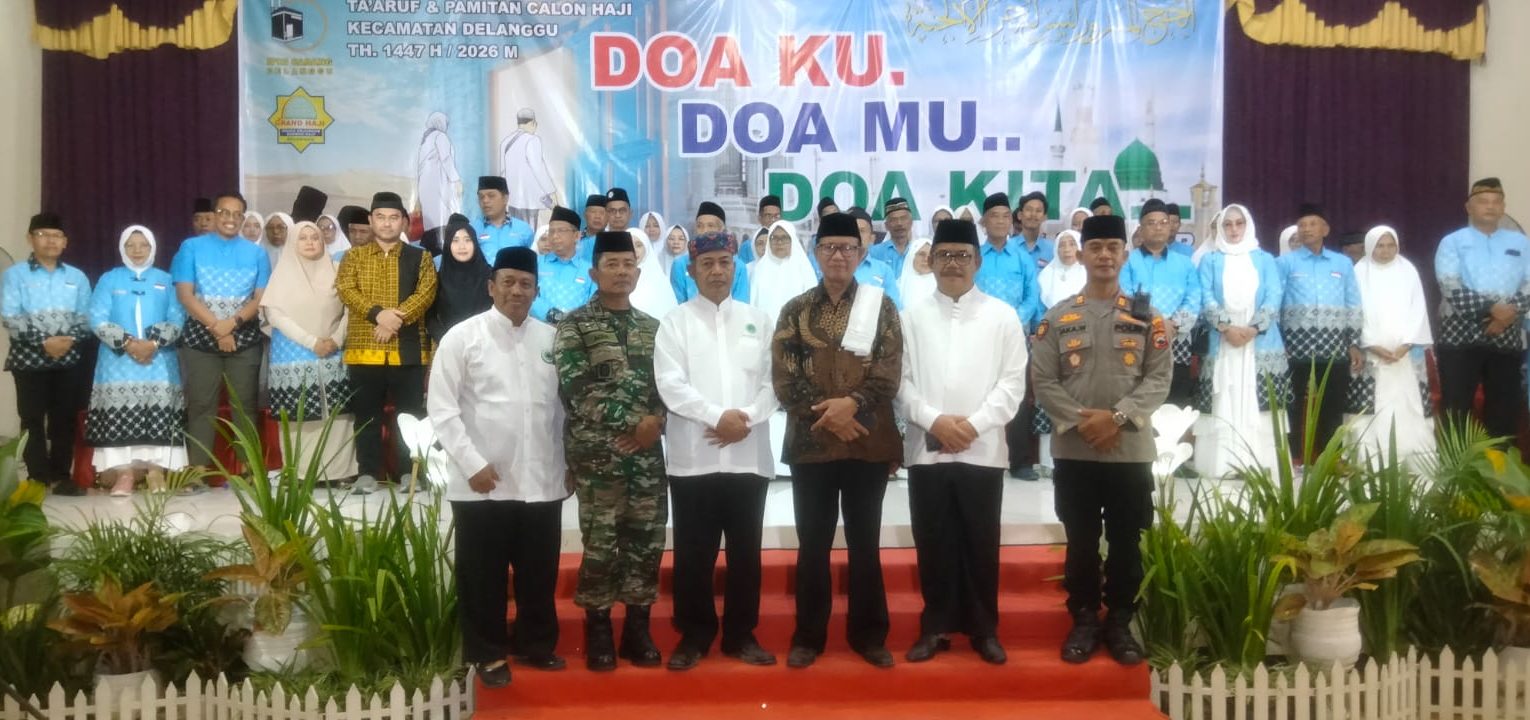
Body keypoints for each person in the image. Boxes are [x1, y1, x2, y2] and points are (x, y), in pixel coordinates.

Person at [1033, 214, 1170, 666]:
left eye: (1113, 247)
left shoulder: (1148, 317)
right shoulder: (1057, 318)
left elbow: (1158, 380)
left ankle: (1121, 623)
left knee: (1128, 541)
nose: (1105, 255)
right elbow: (1044, 381)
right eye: (1096, 248)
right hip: (1076, 451)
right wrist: (1088, 424)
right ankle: (1085, 618)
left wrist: (1117, 419)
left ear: (1125, 254)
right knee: (1081, 541)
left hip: (1129, 452)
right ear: (1082, 255)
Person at [429, 246, 570, 688]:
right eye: (508, 282)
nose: (517, 290)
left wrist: (569, 463)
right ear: (491, 287)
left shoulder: (552, 340)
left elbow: (566, 410)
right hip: (482, 482)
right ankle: (486, 654)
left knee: (539, 571)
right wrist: (471, 463)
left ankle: (536, 644)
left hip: (541, 478)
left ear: (537, 290)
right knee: (482, 575)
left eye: (526, 284)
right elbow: (442, 409)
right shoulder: (462, 337)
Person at [771, 212, 903, 669]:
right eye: (830, 247)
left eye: (847, 248)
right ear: (816, 252)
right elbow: (785, 379)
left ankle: (870, 636)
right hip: (812, 445)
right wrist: (832, 417)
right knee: (813, 544)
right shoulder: (795, 310)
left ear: (861, 254)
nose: (839, 256)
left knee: (865, 543)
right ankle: (809, 637)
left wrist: (852, 405)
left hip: (867, 441)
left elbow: (889, 371)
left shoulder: (880, 307)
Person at [897, 218, 1027, 666]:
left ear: (977, 262)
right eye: (945, 255)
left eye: (962, 256)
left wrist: (971, 426)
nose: (953, 263)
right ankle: (934, 627)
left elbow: (1012, 384)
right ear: (931, 261)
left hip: (983, 449)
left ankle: (983, 629)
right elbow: (900, 383)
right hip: (927, 449)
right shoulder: (910, 318)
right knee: (933, 541)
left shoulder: (1002, 316)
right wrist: (935, 421)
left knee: (979, 541)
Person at [655, 231, 780, 671]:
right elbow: (670, 385)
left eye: (724, 262)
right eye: (707, 264)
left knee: (746, 554)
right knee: (694, 555)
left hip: (748, 455)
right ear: (691, 271)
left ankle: (741, 635)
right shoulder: (674, 323)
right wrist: (716, 417)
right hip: (695, 459)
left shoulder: (758, 320)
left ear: (735, 267)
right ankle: (694, 635)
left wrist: (744, 418)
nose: (716, 271)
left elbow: (774, 383)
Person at [555, 231, 668, 671]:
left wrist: (654, 423)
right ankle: (598, 629)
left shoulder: (654, 328)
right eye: (612, 264)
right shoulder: (575, 325)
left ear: (638, 273)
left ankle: (638, 629)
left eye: (628, 264)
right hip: (598, 456)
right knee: (601, 543)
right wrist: (633, 423)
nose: (621, 272)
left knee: (646, 541)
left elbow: (670, 387)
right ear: (594, 272)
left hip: (646, 456)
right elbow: (577, 389)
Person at [335, 191, 439, 491]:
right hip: (364, 348)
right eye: (380, 217)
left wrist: (395, 320)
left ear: (403, 222)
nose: (387, 223)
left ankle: (410, 473)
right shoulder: (353, 257)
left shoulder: (420, 257)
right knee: (367, 415)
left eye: (393, 218)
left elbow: (426, 293)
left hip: (408, 349)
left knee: (408, 416)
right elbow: (346, 289)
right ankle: (368, 473)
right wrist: (378, 314)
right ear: (371, 220)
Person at [171, 193, 271, 472]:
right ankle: (198, 470)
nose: (230, 219)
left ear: (243, 218)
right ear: (214, 215)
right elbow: (185, 295)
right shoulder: (191, 247)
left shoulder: (256, 253)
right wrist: (218, 328)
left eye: (237, 214)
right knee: (201, 403)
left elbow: (260, 298)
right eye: (224, 212)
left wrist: (232, 324)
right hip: (200, 338)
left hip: (244, 338)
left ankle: (248, 468)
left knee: (245, 403)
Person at [85, 226, 186, 495]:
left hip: (158, 359)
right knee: (120, 416)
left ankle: (156, 473)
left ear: (153, 248)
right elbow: (96, 316)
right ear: (122, 248)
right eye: (131, 245)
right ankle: (125, 475)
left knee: (158, 414)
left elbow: (178, 317)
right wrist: (128, 343)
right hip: (117, 361)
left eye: (144, 245)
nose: (137, 250)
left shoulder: (166, 279)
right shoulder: (110, 279)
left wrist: (152, 343)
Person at [1194, 204, 1289, 478]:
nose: (1233, 229)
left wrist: (1253, 328)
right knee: (1224, 396)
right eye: (1227, 224)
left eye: (1239, 223)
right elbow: (1205, 296)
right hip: (1223, 341)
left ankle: (1258, 463)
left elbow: (1274, 295)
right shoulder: (1211, 260)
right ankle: (1221, 465)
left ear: (1248, 225)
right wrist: (1226, 328)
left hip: (1258, 341)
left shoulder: (1265, 259)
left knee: (1258, 399)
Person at [260, 221, 358, 482]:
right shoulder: (282, 274)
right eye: (302, 238)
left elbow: (352, 309)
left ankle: (340, 472)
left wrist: (336, 339)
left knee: (338, 414)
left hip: (334, 350)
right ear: (293, 242)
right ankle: (302, 474)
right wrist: (311, 342)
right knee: (300, 416)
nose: (310, 242)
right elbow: (275, 315)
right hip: (294, 353)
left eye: (314, 237)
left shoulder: (337, 270)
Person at [2, 213, 91, 495]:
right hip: (28, 360)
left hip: (68, 359)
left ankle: (61, 476)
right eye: (43, 235)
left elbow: (86, 318)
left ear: (65, 242)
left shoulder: (77, 277)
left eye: (56, 236)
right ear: (30, 239)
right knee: (31, 419)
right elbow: (10, 317)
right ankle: (38, 478)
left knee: (64, 418)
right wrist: (44, 342)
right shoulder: (15, 275)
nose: (50, 240)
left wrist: (66, 341)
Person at [1435, 177, 1530, 440]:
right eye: (1483, 202)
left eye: (1496, 202)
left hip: (1506, 335)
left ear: (1503, 207)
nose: (1490, 206)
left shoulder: (1521, 243)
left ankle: (1499, 465)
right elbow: (1449, 284)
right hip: (1459, 336)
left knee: (1504, 408)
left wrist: (1507, 315)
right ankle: (1457, 465)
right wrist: (1493, 311)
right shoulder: (1452, 242)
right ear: (1469, 207)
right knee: (1457, 408)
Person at [1278, 203, 1363, 462]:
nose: (1306, 229)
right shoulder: (1284, 263)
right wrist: (1280, 342)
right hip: (1295, 347)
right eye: (1302, 225)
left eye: (1312, 224)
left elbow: (1353, 303)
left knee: (1332, 404)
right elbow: (1274, 303)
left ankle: (1331, 459)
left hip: (1334, 347)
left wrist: (1354, 343)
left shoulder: (1342, 264)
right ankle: (1293, 458)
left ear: (1325, 229)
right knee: (1292, 404)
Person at [1349, 226, 1436, 466]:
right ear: (1369, 247)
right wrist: (1371, 344)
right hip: (1371, 353)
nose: (1385, 251)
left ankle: (1413, 459)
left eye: (1390, 245)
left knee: (1408, 404)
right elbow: (1355, 311)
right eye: (1380, 246)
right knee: (1370, 408)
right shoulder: (1359, 272)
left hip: (1404, 354)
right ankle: (1371, 461)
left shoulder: (1408, 270)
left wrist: (1406, 343)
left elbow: (1418, 308)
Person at [975, 192, 1042, 480]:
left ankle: (1021, 462)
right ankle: (979, 455)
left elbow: (1032, 296)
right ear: (984, 222)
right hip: (980, 335)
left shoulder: (1022, 258)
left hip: (1015, 334)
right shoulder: (975, 256)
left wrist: (1015, 321)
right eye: (994, 216)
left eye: (1005, 216)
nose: (1001, 221)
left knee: (1017, 395)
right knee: (980, 394)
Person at [1120, 198, 1202, 407]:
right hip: (1139, 341)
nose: (1158, 227)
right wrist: (1158, 323)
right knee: (1138, 408)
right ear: (1141, 229)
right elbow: (1124, 298)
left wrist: (1173, 325)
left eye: (1163, 222)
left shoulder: (1185, 264)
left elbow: (1194, 298)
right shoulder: (1127, 262)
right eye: (1151, 223)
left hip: (1177, 340)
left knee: (1174, 408)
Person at [428, 218, 494, 343]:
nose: (462, 246)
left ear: (475, 243)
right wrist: (446, 339)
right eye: (455, 240)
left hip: (487, 343)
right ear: (448, 245)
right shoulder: (438, 279)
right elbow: (429, 317)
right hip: (451, 345)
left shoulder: (491, 276)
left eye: (467, 240)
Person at [671, 202, 750, 303]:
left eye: (710, 226)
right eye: (699, 226)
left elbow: (741, 305)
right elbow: (677, 304)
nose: (704, 231)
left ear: (722, 230)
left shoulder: (738, 266)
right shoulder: (681, 264)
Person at [499, 108, 560, 226]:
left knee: (515, 230)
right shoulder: (532, 140)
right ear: (532, 123)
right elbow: (539, 169)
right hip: (529, 201)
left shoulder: (505, 142)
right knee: (529, 232)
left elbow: (502, 173)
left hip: (512, 200)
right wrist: (551, 193)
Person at [535, 206, 596, 322]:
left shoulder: (590, 270)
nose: (554, 236)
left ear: (576, 236)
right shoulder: (536, 263)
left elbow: (595, 304)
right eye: (551, 231)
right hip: (540, 328)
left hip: (577, 329)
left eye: (561, 231)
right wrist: (553, 316)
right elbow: (527, 296)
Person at [845, 207, 902, 309]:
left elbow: (895, 309)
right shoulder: (832, 267)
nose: (857, 235)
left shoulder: (884, 270)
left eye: (862, 231)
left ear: (871, 238)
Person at [416, 112, 463, 232]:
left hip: (425, 187)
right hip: (438, 184)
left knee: (430, 224)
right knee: (443, 218)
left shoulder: (425, 140)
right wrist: (456, 180)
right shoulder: (440, 136)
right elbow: (446, 159)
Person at [473, 175, 534, 260]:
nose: (485, 201)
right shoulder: (473, 229)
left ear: (505, 198)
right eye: (481, 197)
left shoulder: (523, 229)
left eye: (491, 196)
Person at [628, 229, 678, 320]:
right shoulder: (616, 278)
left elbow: (671, 315)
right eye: (629, 245)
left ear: (646, 248)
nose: (634, 250)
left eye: (639, 245)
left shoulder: (660, 281)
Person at [868, 197, 918, 280]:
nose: (899, 223)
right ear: (886, 225)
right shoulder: (874, 253)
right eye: (893, 220)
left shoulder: (920, 251)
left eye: (903, 218)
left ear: (911, 222)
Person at [1037, 230, 1086, 309]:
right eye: (1062, 245)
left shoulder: (1091, 276)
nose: (1067, 249)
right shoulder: (1046, 275)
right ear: (1056, 250)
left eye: (1072, 244)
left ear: (1080, 247)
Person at [1011, 191, 1056, 271]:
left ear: (1044, 217)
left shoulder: (1053, 250)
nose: (1033, 214)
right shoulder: (1007, 247)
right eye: (1029, 209)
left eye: (1038, 211)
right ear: (1020, 215)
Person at [576, 194, 608, 263]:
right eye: (593, 212)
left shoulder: (614, 242)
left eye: (602, 213)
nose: (597, 216)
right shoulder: (574, 240)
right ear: (585, 215)